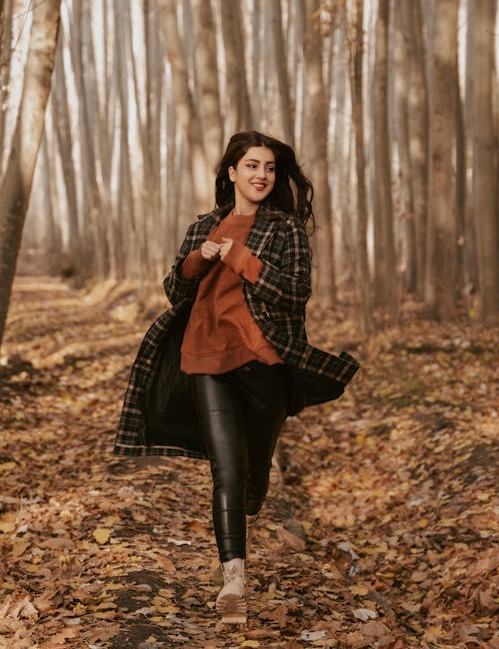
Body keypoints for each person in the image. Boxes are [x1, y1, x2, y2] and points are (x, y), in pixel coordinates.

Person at [114, 130, 359, 624]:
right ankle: (233, 580)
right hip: (205, 358)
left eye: (269, 167)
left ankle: (256, 484)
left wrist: (241, 259)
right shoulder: (203, 225)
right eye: (251, 165)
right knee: (225, 469)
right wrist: (197, 259)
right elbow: (173, 290)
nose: (261, 175)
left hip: (264, 361)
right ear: (232, 172)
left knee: (252, 473)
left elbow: (295, 294)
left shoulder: (285, 230)